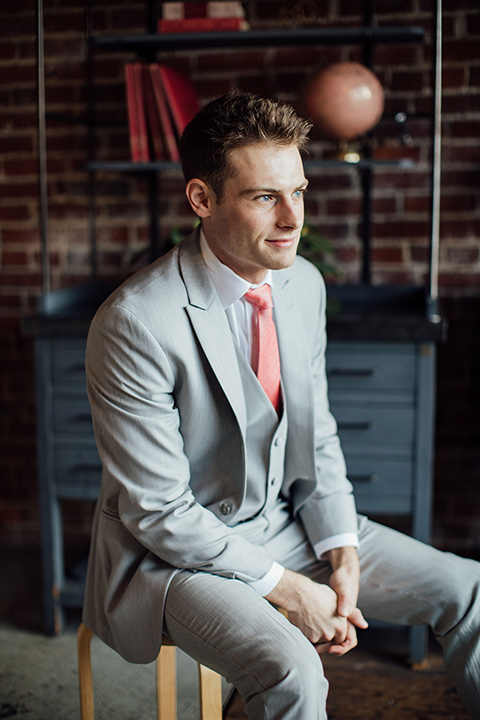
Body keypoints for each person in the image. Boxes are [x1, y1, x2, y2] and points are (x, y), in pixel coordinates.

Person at [83, 90, 480, 719]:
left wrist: (342, 551)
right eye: (265, 197)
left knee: (469, 588)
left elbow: (316, 432)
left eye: (297, 191)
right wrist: (291, 591)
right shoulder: (135, 321)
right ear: (201, 199)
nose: (292, 219)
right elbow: (159, 512)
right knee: (293, 668)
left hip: (285, 527)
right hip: (175, 560)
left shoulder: (303, 284)